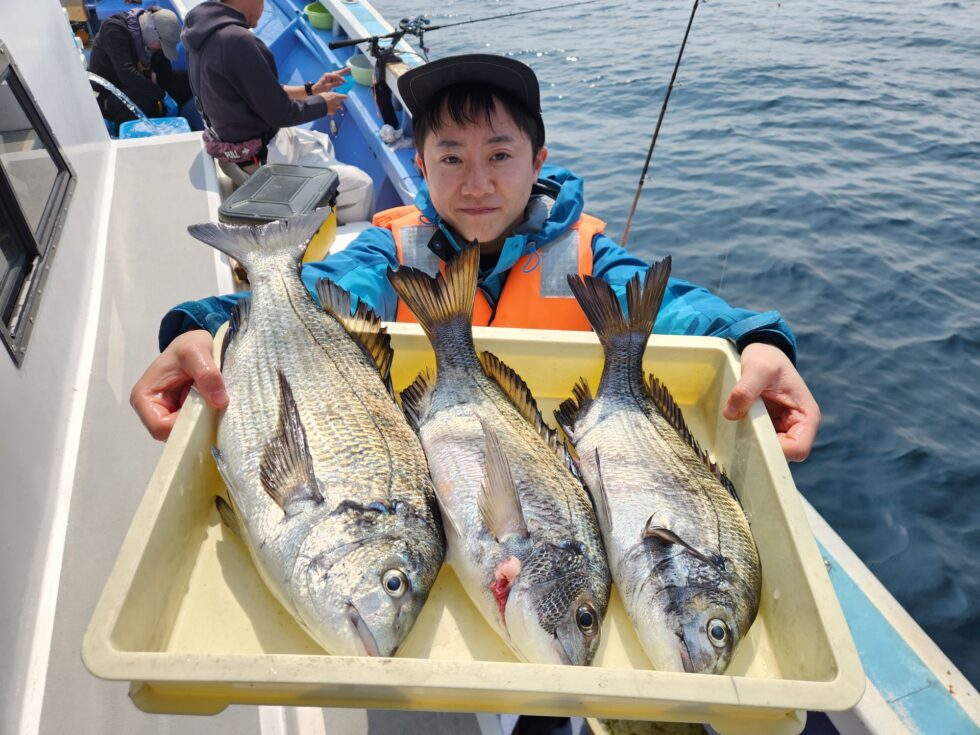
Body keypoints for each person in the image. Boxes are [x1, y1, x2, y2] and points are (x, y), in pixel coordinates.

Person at [130, 53, 820, 462]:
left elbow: (670, 304)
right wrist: (205, 327)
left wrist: (752, 339)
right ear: (422, 167)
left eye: (499, 156)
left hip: (561, 464)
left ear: (539, 162)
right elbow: (319, 293)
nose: (477, 182)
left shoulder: (585, 259)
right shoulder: (390, 252)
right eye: (450, 158)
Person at [179, 0, 374, 223]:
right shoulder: (239, 42)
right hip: (260, 163)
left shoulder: (202, 30)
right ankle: (331, 237)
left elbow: (259, 91)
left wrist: (311, 90)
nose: (263, 8)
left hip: (232, 156)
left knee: (321, 143)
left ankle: (317, 207)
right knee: (362, 186)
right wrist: (323, 103)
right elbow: (280, 114)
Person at [88, 7, 192, 127]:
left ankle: (172, 121)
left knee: (186, 81)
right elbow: (127, 74)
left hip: (133, 85)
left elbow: (164, 74)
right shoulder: (114, 29)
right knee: (147, 100)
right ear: (152, 32)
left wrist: (172, 99)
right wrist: (163, 96)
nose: (161, 48)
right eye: (162, 44)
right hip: (108, 95)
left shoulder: (154, 41)